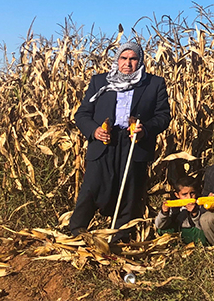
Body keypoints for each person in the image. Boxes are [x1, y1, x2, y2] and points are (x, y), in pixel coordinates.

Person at [69, 42, 171, 242]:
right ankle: (77, 233)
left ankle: (119, 237)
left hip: (134, 143)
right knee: (92, 187)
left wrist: (145, 130)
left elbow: (163, 116)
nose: (128, 64)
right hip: (105, 141)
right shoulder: (100, 82)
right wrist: (94, 131)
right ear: (117, 60)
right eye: (124, 58)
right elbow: (82, 114)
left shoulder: (154, 84)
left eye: (133, 59)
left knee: (129, 190)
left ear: (140, 61)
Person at [155, 176, 207, 245]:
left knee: (201, 235)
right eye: (184, 194)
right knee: (161, 230)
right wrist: (164, 213)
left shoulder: (200, 205)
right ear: (177, 195)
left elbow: (201, 227)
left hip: (192, 232)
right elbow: (159, 225)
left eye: (192, 193)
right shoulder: (174, 208)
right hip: (179, 231)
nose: (189, 197)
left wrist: (195, 213)